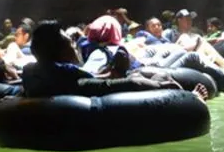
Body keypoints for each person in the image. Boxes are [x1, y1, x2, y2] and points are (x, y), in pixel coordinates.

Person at [21, 21, 208, 101]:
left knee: (143, 75)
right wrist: (115, 73)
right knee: (137, 81)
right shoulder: (66, 72)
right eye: (69, 42)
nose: (74, 45)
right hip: (85, 94)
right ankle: (192, 98)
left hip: (79, 87)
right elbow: (93, 80)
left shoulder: (32, 71)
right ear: (59, 51)